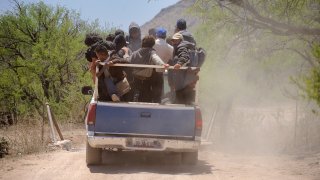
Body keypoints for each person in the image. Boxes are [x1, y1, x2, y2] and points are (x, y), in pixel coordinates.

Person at [130, 36, 169, 103]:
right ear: (152, 44)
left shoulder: (135, 53)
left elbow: (128, 60)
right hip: (146, 79)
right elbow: (156, 59)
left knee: (140, 99)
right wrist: (163, 65)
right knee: (147, 99)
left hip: (137, 79)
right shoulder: (151, 52)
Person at [169, 32, 198, 105]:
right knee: (187, 102)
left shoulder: (181, 46)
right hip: (187, 80)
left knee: (180, 102)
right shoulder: (186, 46)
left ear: (180, 40)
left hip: (182, 81)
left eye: (175, 40)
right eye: (172, 40)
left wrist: (179, 63)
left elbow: (184, 56)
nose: (173, 42)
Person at [152, 27, 174, 103]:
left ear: (157, 35)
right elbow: (173, 57)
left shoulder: (152, 44)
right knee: (160, 92)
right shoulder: (169, 47)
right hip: (162, 72)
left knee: (151, 91)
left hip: (150, 72)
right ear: (165, 36)